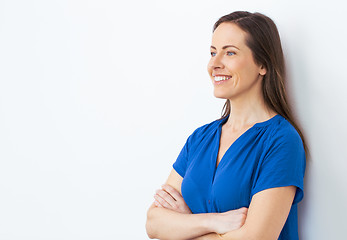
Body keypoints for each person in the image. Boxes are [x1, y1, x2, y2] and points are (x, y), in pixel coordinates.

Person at [146, 11, 307, 240]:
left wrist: (184, 226)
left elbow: (255, 238)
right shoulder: (200, 138)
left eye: (229, 52)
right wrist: (215, 222)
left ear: (263, 64)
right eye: (213, 53)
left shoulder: (281, 141)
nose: (214, 64)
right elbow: (153, 222)